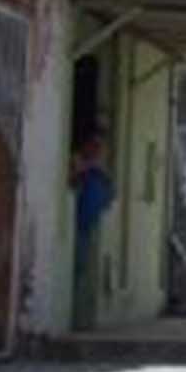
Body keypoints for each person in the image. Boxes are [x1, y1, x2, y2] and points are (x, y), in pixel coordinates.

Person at [71, 129, 115, 323]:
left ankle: (80, 315)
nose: (98, 151)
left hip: (90, 224)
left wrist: (101, 172)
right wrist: (87, 168)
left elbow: (112, 191)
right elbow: (71, 179)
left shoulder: (100, 170)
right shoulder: (78, 161)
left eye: (101, 148)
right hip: (75, 223)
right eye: (94, 146)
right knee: (76, 266)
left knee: (82, 268)